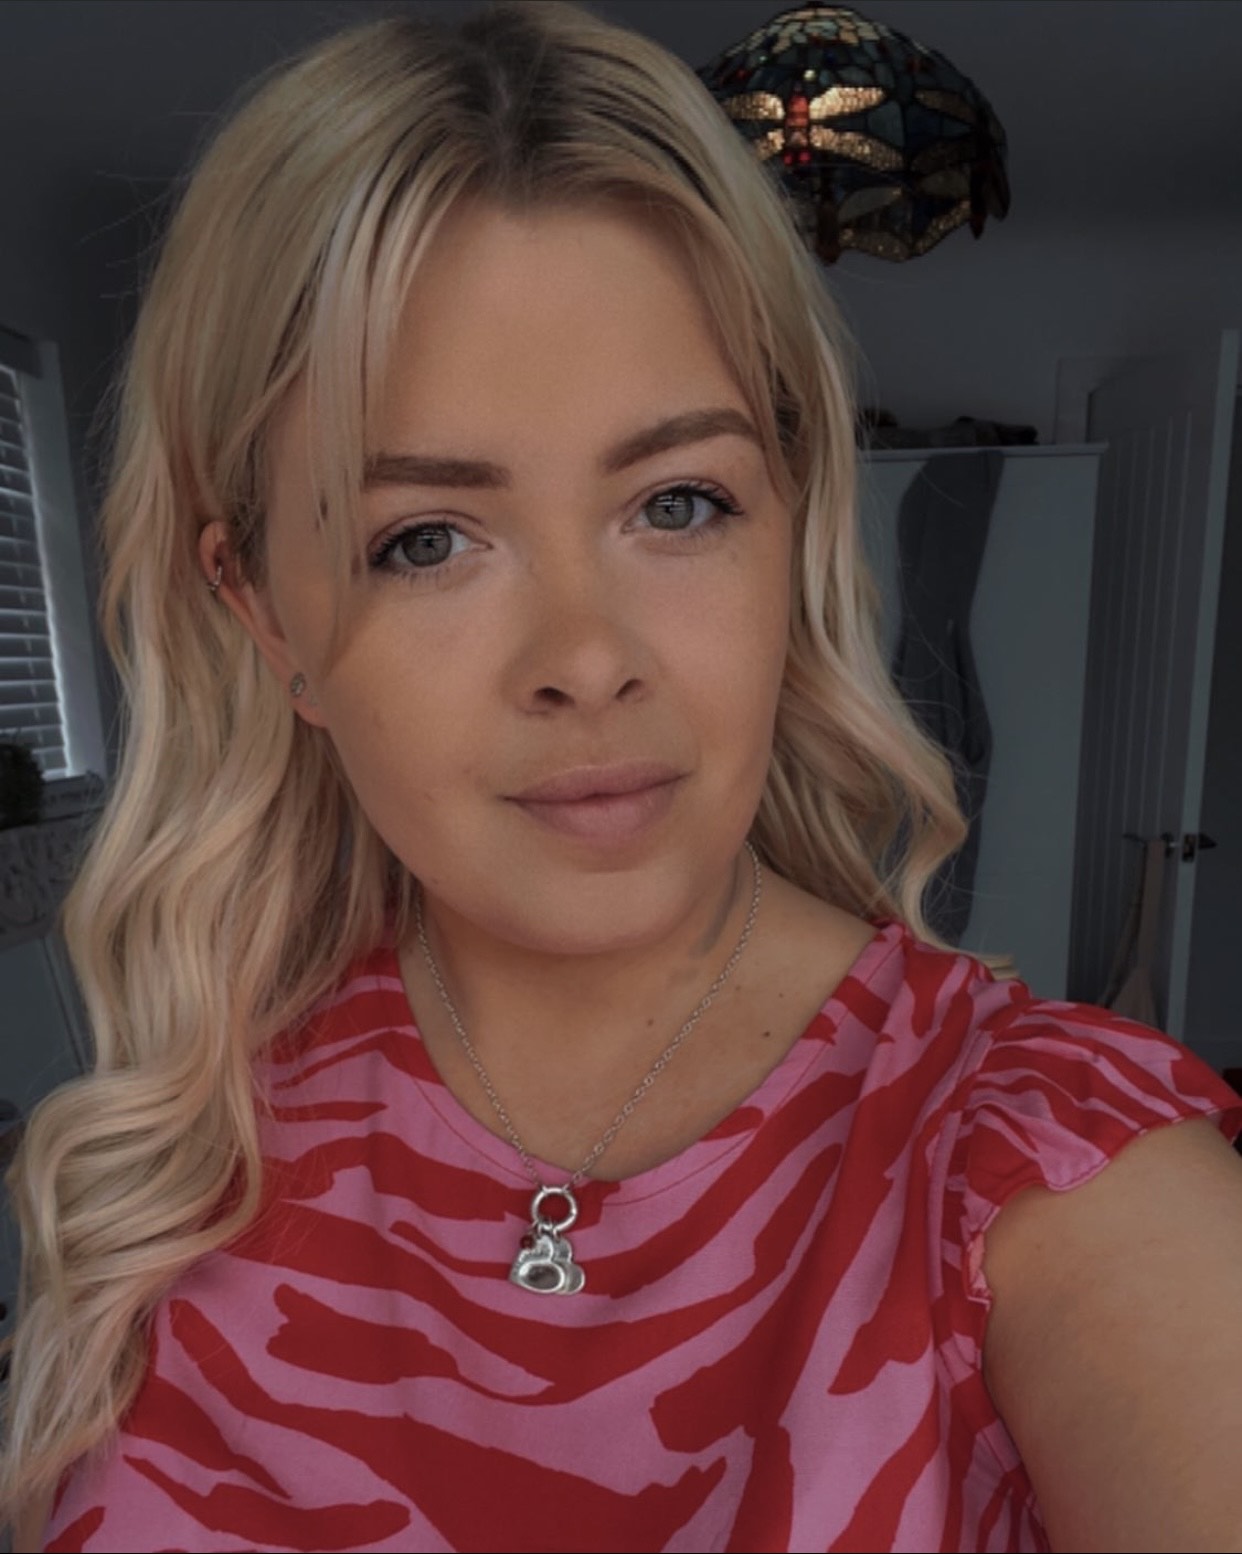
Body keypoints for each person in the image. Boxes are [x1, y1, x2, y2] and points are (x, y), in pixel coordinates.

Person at [5, 4, 1242, 1550]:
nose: (586, 659)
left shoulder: (1054, 1172)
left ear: (789, 528)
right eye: (425, 539)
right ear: (264, 614)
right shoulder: (196, 1134)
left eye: (677, 502)